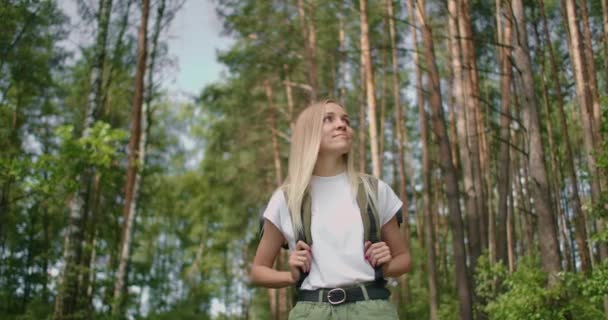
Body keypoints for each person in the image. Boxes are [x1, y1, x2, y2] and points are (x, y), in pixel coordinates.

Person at [251, 99, 411, 319]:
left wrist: (386, 264)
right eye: (329, 119)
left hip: (372, 309)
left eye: (346, 120)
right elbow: (258, 270)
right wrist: (291, 276)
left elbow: (404, 259)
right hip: (311, 311)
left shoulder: (375, 190)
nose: (341, 124)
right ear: (308, 133)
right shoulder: (286, 199)